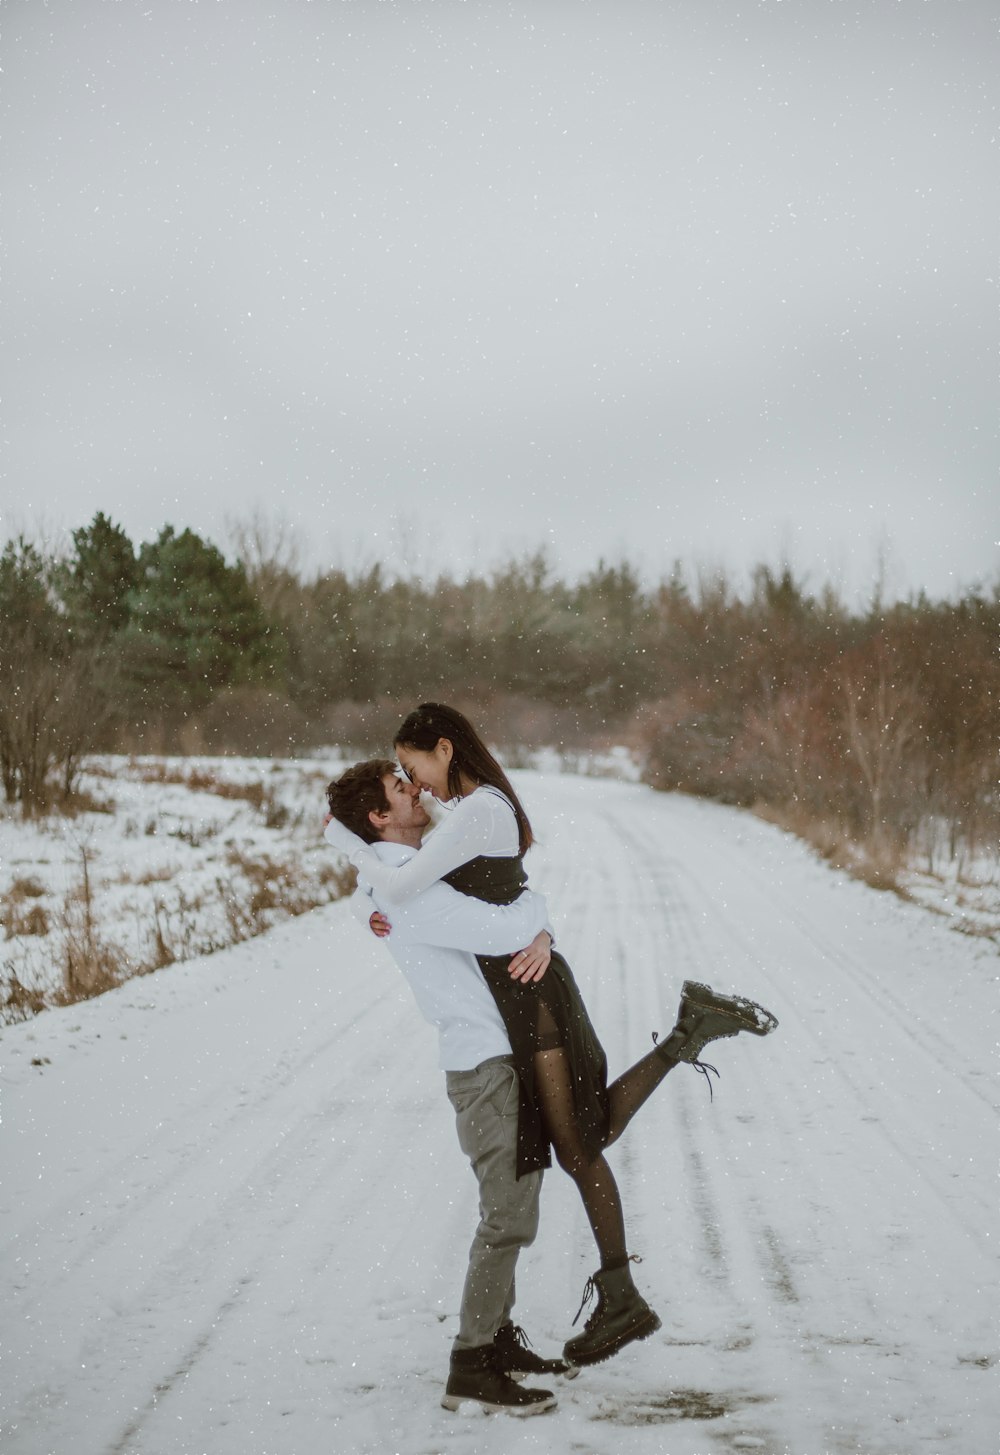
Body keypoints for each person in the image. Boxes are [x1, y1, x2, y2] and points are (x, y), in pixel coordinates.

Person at [325, 705, 778, 1369]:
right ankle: (688, 1034)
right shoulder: (466, 813)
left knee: (579, 1142)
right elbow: (466, 889)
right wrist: (365, 897)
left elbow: (408, 884)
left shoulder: (478, 811)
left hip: (530, 991)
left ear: (443, 749)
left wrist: (362, 874)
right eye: (402, 779)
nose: (414, 781)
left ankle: (621, 1292)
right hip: (521, 987)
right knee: (582, 1137)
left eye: (413, 765)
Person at [325, 759, 574, 1416]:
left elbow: (375, 883)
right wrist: (541, 921)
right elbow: (504, 929)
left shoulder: (398, 879)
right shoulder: (410, 892)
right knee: (508, 1213)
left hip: (492, 1055)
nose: (417, 792)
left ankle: (496, 1338)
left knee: (516, 1200)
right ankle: (472, 1363)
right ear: (380, 817)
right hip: (480, 1062)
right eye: (401, 790)